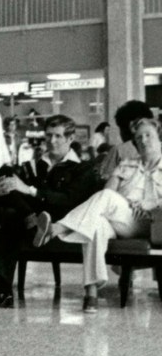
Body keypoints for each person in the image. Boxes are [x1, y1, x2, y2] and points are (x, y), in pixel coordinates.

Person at [34, 117, 162, 313]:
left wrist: (148, 204)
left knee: (103, 205)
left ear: (159, 137)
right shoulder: (126, 165)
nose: (143, 140)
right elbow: (108, 193)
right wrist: (126, 202)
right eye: (139, 137)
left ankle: (56, 228)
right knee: (95, 224)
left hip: (151, 223)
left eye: (148, 135)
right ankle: (91, 294)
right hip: (121, 218)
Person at [0, 115, 100, 309]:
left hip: (59, 223)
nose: (52, 141)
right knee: (6, 173)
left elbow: (68, 200)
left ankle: (2, 289)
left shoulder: (82, 169)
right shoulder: (36, 164)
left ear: (70, 139)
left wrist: (29, 190)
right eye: (49, 136)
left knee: (13, 215)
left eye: (58, 136)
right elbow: (11, 190)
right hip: (33, 219)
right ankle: (32, 220)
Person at [97, 100, 153, 181]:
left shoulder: (118, 151)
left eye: (120, 128)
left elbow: (103, 180)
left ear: (132, 126)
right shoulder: (157, 149)